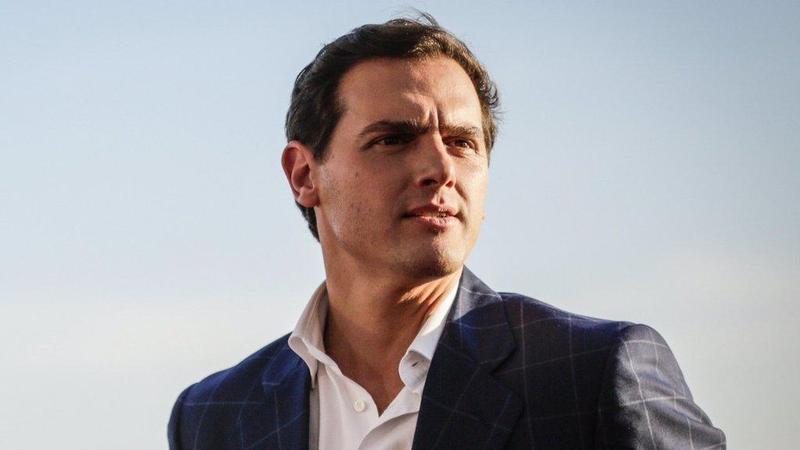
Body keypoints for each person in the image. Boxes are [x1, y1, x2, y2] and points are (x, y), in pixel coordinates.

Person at [168, 15, 725, 449]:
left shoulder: (594, 373)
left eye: (462, 143)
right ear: (304, 175)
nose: (441, 168)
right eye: (393, 140)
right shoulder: (214, 416)